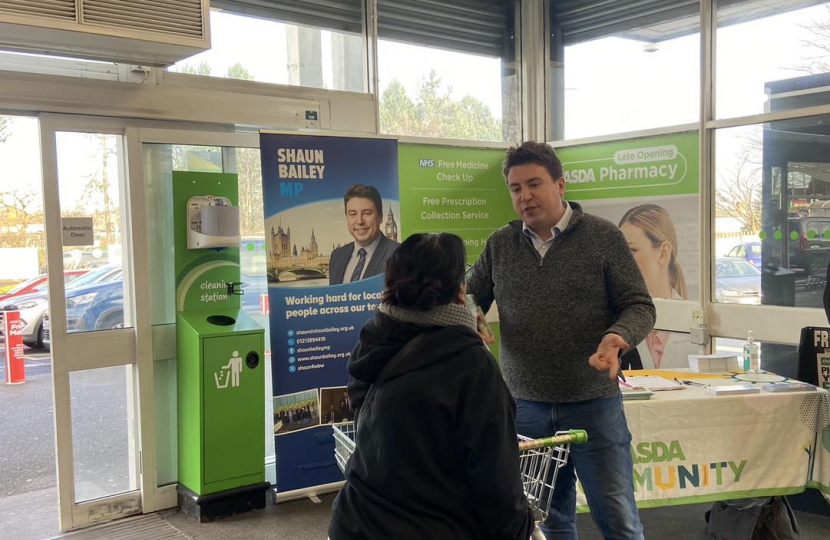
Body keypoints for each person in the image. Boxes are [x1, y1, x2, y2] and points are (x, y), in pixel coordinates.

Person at [467, 142, 655, 540]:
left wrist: (616, 336)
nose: (525, 196)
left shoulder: (603, 237)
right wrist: (472, 316)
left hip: (593, 405)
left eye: (534, 184)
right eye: (516, 188)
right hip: (526, 408)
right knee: (549, 521)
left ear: (561, 184)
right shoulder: (500, 244)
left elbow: (639, 305)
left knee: (618, 518)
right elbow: (467, 294)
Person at [329, 233, 534, 540]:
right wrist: (519, 530)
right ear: (459, 293)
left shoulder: (374, 337)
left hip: (354, 519)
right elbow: (497, 482)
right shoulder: (472, 366)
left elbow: (365, 412)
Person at [618, 204, 692, 369]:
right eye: (619, 252)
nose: (621, 262)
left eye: (631, 250)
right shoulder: (615, 322)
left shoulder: (696, 323)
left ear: (663, 252)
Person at [329, 184, 399, 285]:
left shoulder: (399, 256)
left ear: (380, 217)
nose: (360, 221)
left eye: (367, 213)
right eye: (353, 214)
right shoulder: (337, 256)